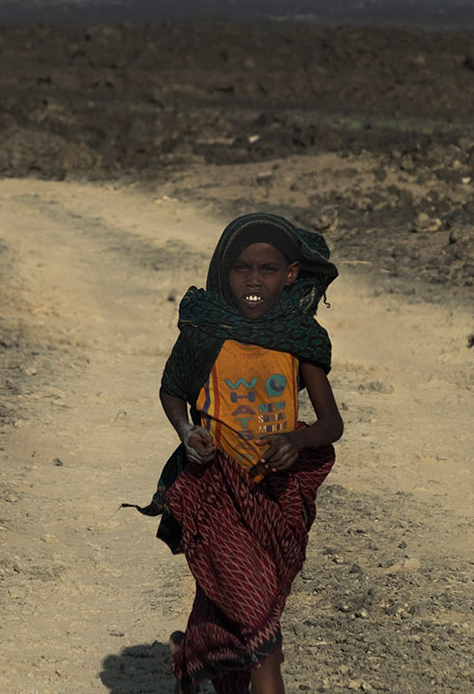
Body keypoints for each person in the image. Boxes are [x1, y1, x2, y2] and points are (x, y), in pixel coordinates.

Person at [146, 212, 343, 694]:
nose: (254, 280)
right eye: (242, 268)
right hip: (214, 491)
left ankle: (199, 653)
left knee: (244, 612)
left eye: (268, 269)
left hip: (276, 499)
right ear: (224, 269)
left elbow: (331, 423)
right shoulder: (204, 331)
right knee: (261, 628)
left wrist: (297, 441)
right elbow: (172, 389)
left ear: (290, 274)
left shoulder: (298, 338)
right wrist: (187, 431)